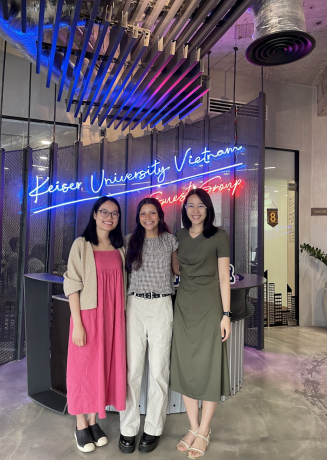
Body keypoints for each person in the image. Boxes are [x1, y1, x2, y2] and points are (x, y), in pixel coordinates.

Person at [170, 188, 231, 459]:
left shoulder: (219, 236)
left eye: (201, 206)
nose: (195, 211)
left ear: (208, 209)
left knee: (207, 365)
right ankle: (193, 427)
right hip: (183, 304)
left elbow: (222, 278)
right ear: (184, 209)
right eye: (190, 205)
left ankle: (205, 429)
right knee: (185, 364)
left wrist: (226, 315)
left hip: (209, 305)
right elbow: (176, 269)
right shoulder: (179, 236)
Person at [63, 196, 127, 453]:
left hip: (113, 319)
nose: (109, 217)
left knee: (103, 367)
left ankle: (93, 420)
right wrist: (77, 324)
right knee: (82, 370)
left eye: (114, 214)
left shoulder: (119, 247)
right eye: (104, 212)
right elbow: (72, 285)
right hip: (88, 317)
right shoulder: (81, 245)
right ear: (94, 214)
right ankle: (80, 423)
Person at [119, 198, 178, 454]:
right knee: (132, 371)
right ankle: (128, 429)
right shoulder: (128, 240)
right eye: (143, 213)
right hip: (135, 306)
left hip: (162, 305)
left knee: (158, 371)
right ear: (138, 216)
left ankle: (153, 428)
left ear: (160, 214)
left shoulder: (170, 240)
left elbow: (178, 270)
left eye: (152, 212)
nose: (147, 217)